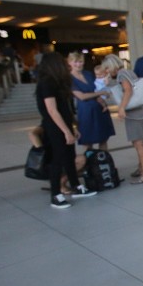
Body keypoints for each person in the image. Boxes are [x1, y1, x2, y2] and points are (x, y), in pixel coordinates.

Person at [35, 52, 97, 209]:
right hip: (54, 127)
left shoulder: (59, 82)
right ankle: (56, 194)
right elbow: (52, 110)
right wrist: (66, 131)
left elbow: (65, 109)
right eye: (62, 63)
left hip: (65, 125)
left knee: (69, 156)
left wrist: (73, 127)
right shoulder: (46, 83)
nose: (66, 65)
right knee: (57, 159)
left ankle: (76, 186)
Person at [103, 54, 143, 184]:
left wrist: (121, 108)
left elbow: (128, 90)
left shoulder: (121, 74)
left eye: (107, 68)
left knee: (138, 143)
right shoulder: (128, 71)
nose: (106, 71)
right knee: (139, 142)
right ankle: (142, 168)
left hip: (134, 114)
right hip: (140, 111)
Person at [67, 53, 115, 152]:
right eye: (75, 62)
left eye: (80, 61)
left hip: (99, 109)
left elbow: (96, 89)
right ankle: (90, 165)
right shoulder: (69, 78)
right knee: (87, 142)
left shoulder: (88, 74)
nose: (78, 64)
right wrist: (100, 93)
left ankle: (104, 163)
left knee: (103, 139)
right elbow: (81, 96)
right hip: (86, 112)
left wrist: (101, 99)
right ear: (69, 62)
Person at [28, 125, 86, 194]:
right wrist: (41, 150)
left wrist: (74, 128)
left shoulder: (65, 124)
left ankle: (59, 181)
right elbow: (32, 133)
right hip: (51, 160)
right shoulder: (50, 124)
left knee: (85, 164)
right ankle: (60, 184)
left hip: (61, 157)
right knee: (81, 160)